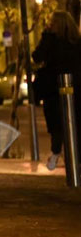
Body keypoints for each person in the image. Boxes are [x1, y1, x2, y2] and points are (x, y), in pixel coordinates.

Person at [32, 10, 81, 170]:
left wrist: (46, 36)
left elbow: (37, 56)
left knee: (57, 125)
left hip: (54, 89)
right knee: (74, 123)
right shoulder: (76, 42)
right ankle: (72, 158)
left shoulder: (51, 41)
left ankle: (56, 153)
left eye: (52, 23)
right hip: (74, 89)